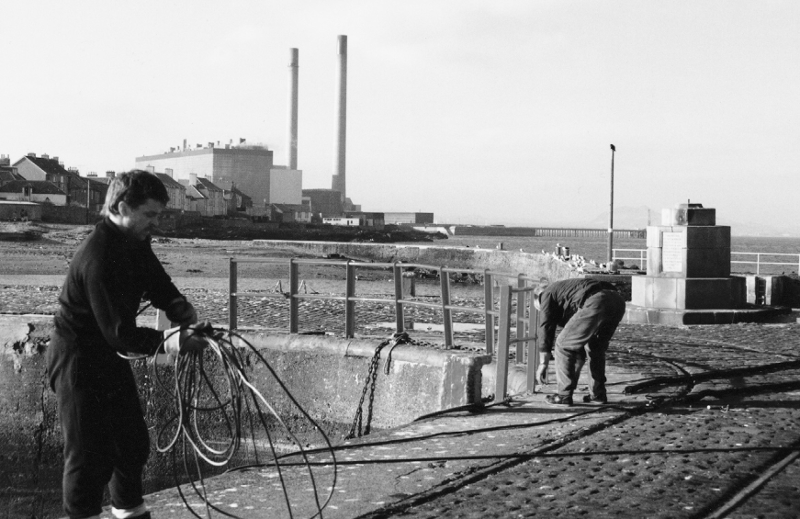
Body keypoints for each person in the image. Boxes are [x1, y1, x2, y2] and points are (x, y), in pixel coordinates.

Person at [47, 170, 206, 519]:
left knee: (131, 443)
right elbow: (120, 333)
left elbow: (155, 280)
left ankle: (129, 510)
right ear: (121, 207)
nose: (156, 223)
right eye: (150, 215)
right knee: (87, 458)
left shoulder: (133, 242)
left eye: (159, 215)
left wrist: (177, 304)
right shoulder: (99, 255)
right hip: (77, 360)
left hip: (107, 356)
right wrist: (172, 340)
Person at [534, 278, 626, 406]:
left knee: (562, 344)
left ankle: (563, 396)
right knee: (595, 348)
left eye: (540, 308)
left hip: (597, 300)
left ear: (538, 297)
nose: (543, 310)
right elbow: (578, 345)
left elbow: (546, 326)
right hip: (617, 301)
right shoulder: (566, 292)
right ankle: (597, 395)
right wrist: (572, 373)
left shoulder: (546, 294)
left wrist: (543, 363)